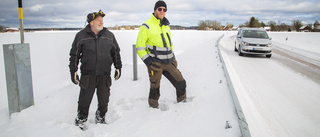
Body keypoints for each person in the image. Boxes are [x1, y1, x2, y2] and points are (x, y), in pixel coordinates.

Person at [69, 10, 122, 129]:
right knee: (84, 100)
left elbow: (116, 52)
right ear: (91, 22)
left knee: (104, 100)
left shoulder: (109, 35)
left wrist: (118, 67)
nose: (101, 22)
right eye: (98, 20)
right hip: (88, 75)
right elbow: (74, 55)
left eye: (102, 20)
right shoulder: (81, 36)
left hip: (104, 75)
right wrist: (74, 71)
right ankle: (81, 120)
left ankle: (100, 117)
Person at [136, 1, 186, 108]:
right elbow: (139, 47)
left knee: (181, 83)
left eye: (164, 9)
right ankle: (153, 109)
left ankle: (183, 107)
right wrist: (149, 62)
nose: (162, 11)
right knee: (155, 89)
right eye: (160, 9)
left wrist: (173, 58)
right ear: (155, 10)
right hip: (155, 63)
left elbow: (169, 44)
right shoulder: (146, 26)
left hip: (169, 62)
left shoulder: (166, 25)